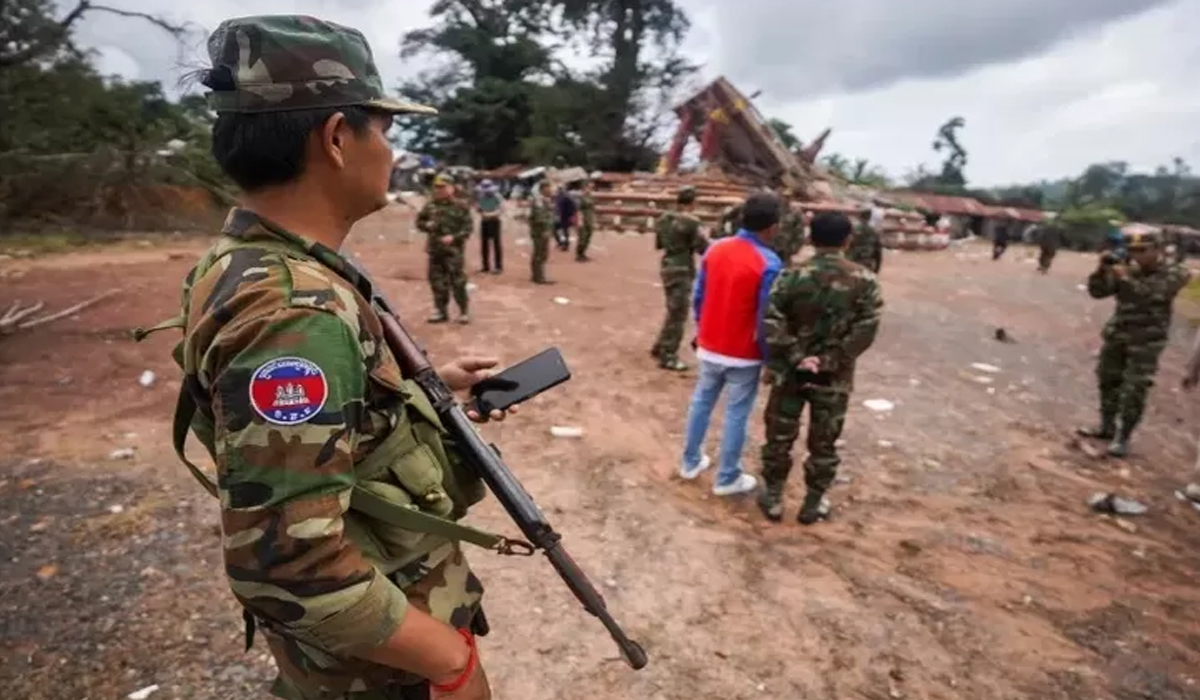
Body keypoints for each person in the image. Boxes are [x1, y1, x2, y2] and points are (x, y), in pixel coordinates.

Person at [139, 15, 513, 700]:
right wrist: (448, 659)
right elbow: (286, 563)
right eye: (387, 131)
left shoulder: (252, 263)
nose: (393, 154)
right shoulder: (294, 311)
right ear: (338, 137)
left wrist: (412, 393)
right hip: (376, 669)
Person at [758, 212, 883, 525]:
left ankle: (773, 497)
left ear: (810, 238)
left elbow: (772, 320)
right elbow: (867, 327)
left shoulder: (791, 275)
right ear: (847, 240)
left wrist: (798, 355)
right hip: (833, 378)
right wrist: (828, 360)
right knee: (824, 442)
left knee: (780, 435)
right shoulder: (865, 280)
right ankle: (813, 503)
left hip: (790, 371)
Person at [680, 192, 784, 497]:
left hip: (711, 344)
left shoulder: (715, 250)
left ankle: (690, 461)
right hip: (744, 353)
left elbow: (699, 298)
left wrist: (702, 333)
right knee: (736, 413)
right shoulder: (769, 262)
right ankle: (726, 478)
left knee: (701, 402)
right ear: (773, 226)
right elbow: (767, 316)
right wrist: (768, 358)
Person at [1078, 228, 1191, 457]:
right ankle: (1106, 426)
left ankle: (1123, 436)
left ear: (1158, 250)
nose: (1137, 255)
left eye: (1142, 250)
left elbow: (1152, 295)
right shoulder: (1128, 268)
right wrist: (1102, 270)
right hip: (1118, 333)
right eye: (1132, 250)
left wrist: (1124, 276)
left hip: (1147, 342)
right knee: (1108, 380)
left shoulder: (1176, 272)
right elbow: (1097, 292)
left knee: (1134, 388)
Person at [650, 185, 709, 371]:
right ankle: (668, 355)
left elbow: (659, 243)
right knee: (679, 314)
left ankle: (660, 346)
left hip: (667, 264)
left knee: (672, 309)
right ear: (692, 202)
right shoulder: (691, 221)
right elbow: (703, 247)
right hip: (682, 267)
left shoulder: (664, 218)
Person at [417, 173, 472, 323]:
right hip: (435, 251)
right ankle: (441, 312)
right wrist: (426, 225)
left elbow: (468, 228)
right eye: (436, 187)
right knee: (437, 282)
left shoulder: (461, 206)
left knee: (458, 282)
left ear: (452, 188)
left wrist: (454, 237)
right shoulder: (430, 205)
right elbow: (419, 222)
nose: (438, 190)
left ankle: (463, 311)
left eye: (442, 187)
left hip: (453, 252)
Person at [476, 179, 504, 274]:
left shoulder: (497, 196)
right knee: (484, 244)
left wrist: (490, 214)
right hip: (484, 222)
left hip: (494, 221)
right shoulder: (481, 196)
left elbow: (500, 210)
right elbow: (478, 208)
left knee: (496, 244)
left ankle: (498, 266)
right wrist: (481, 212)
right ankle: (485, 266)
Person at [529, 179, 555, 284]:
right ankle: (539, 277)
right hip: (540, 231)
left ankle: (537, 275)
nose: (551, 190)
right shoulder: (539, 201)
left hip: (542, 230)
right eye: (549, 187)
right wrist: (546, 229)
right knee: (540, 254)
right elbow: (540, 217)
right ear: (543, 188)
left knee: (541, 253)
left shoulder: (545, 200)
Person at [772, 190, 806, 266]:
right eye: (784, 197)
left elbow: (800, 233)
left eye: (788, 197)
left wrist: (793, 249)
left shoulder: (795, 212)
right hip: (770, 247)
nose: (786, 199)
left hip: (786, 249)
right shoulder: (773, 210)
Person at [846, 207, 883, 273]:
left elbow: (847, 244)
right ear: (869, 217)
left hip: (853, 259)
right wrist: (877, 268)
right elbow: (878, 249)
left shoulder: (853, 229)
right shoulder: (874, 230)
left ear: (859, 216)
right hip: (867, 259)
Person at [576, 179, 596, 262]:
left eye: (591, 188)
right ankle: (579, 254)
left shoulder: (590, 196)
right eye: (589, 187)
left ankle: (583, 253)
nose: (590, 189)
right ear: (584, 187)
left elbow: (592, 209)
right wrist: (580, 220)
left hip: (590, 218)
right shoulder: (581, 197)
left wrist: (594, 220)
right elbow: (578, 209)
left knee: (588, 237)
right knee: (582, 238)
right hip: (583, 219)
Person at [553, 186, 576, 251]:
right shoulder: (558, 197)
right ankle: (561, 242)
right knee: (555, 229)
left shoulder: (567, 197)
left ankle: (565, 245)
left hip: (565, 216)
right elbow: (557, 207)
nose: (559, 191)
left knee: (565, 231)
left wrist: (570, 215)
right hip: (560, 216)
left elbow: (573, 206)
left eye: (561, 189)